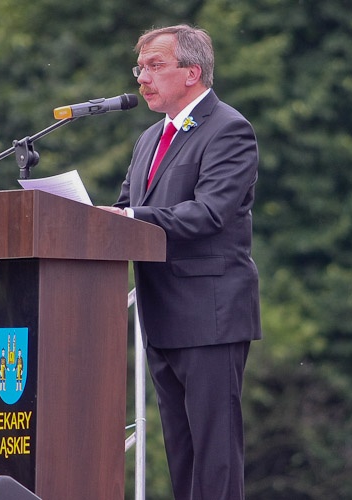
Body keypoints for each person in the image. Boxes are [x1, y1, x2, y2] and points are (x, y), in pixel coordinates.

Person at [101, 24, 261, 500]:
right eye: (139, 68)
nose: (142, 79)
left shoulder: (229, 129)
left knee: (215, 455)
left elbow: (210, 212)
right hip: (161, 314)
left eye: (155, 66)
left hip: (210, 315)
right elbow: (126, 209)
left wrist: (129, 216)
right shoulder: (149, 138)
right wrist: (94, 217)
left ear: (192, 72)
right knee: (182, 454)